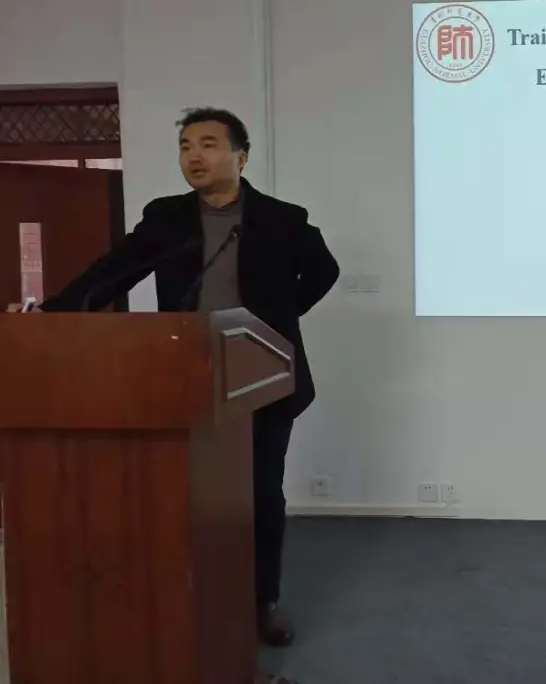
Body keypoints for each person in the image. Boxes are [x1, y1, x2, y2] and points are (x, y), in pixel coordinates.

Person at [6, 107, 339, 663]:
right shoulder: (166, 218)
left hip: (261, 376)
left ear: (241, 156)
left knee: (260, 491)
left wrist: (276, 326)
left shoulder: (283, 219)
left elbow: (324, 272)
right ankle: (199, 595)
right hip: (184, 372)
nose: (194, 156)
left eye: (208, 144)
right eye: (186, 146)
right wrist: (53, 313)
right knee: (187, 496)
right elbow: (113, 270)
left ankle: (263, 600)